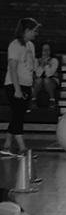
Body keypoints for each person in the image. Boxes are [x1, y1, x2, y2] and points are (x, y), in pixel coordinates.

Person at [3, 17, 40, 155]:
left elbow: (30, 66)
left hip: (26, 84)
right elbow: (12, 68)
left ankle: (7, 143)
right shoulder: (15, 45)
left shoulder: (31, 46)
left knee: (18, 115)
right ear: (26, 30)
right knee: (18, 115)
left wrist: (31, 84)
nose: (36, 33)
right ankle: (22, 146)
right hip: (14, 84)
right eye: (34, 31)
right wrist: (17, 89)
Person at [32, 41, 60, 109]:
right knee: (39, 80)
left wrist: (46, 64)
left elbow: (49, 74)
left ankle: (52, 100)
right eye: (44, 50)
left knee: (46, 80)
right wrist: (41, 65)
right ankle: (33, 100)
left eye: (48, 49)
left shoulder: (54, 60)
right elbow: (38, 74)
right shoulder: (36, 60)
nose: (46, 52)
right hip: (38, 81)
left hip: (51, 81)